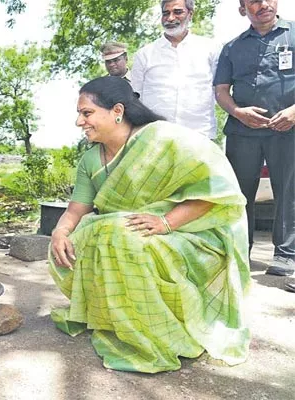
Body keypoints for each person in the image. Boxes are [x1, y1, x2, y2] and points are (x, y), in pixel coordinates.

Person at [49, 76, 250, 373]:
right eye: (80, 114)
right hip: (129, 232)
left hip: (185, 233)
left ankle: (157, 331)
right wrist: (60, 231)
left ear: (117, 110)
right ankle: (113, 318)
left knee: (119, 236)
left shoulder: (164, 139)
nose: (79, 121)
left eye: (86, 113)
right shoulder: (91, 159)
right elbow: (77, 209)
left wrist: (166, 222)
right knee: (79, 242)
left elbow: (216, 193)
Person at [214, 0, 295, 282]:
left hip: (287, 129)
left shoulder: (294, 35)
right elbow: (221, 90)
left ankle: (286, 255)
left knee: (289, 193)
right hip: (242, 131)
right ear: (243, 9)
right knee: (239, 195)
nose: (262, 5)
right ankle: (239, 251)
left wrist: (294, 112)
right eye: (253, 2)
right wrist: (238, 111)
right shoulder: (232, 47)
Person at [131, 0, 220, 139]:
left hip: (199, 135)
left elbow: (219, 91)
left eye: (178, 12)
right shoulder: (144, 54)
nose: (170, 18)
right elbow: (135, 99)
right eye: (166, 13)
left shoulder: (210, 49)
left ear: (190, 14)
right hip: (155, 138)